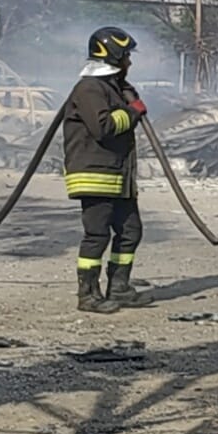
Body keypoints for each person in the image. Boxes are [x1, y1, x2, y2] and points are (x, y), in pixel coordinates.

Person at [63, 27, 152, 313]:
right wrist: (133, 111)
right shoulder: (89, 88)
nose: (130, 62)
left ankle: (120, 287)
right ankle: (87, 294)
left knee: (131, 231)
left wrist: (128, 97)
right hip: (96, 174)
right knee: (97, 235)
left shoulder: (110, 87)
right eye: (126, 56)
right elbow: (104, 127)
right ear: (113, 56)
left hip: (118, 175)